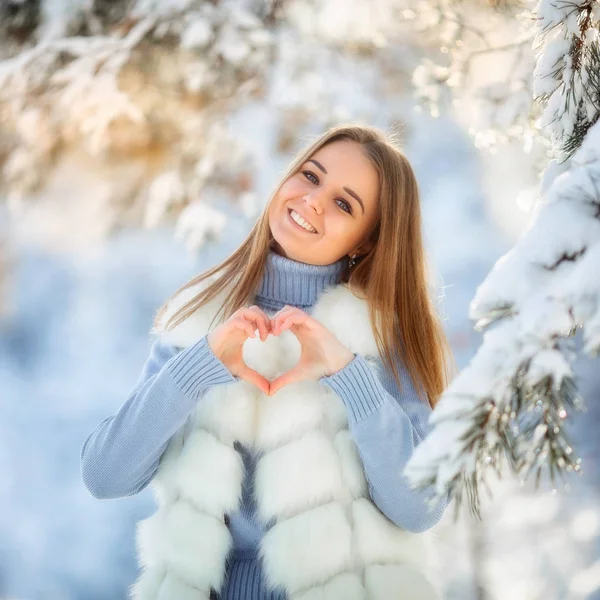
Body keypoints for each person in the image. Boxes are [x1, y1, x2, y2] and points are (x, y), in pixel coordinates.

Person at [80, 124, 455, 600]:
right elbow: (104, 475)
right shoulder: (198, 319)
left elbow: (419, 508)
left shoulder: (384, 339)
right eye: (310, 176)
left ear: (367, 241)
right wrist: (197, 370)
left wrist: (348, 375)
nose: (314, 200)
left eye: (345, 204)